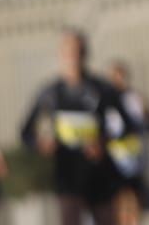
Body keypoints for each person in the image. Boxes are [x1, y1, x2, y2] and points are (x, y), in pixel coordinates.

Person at [19, 29, 124, 225]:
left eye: (78, 50)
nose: (73, 56)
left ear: (85, 53)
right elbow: (25, 134)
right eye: (68, 51)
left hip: (100, 175)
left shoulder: (102, 90)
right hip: (67, 177)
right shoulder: (50, 94)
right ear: (60, 54)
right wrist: (41, 144)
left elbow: (124, 126)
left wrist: (103, 141)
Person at [105, 61, 149, 225]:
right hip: (114, 160)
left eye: (121, 76)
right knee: (118, 201)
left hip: (135, 158)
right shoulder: (104, 100)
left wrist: (144, 117)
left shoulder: (135, 98)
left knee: (135, 199)